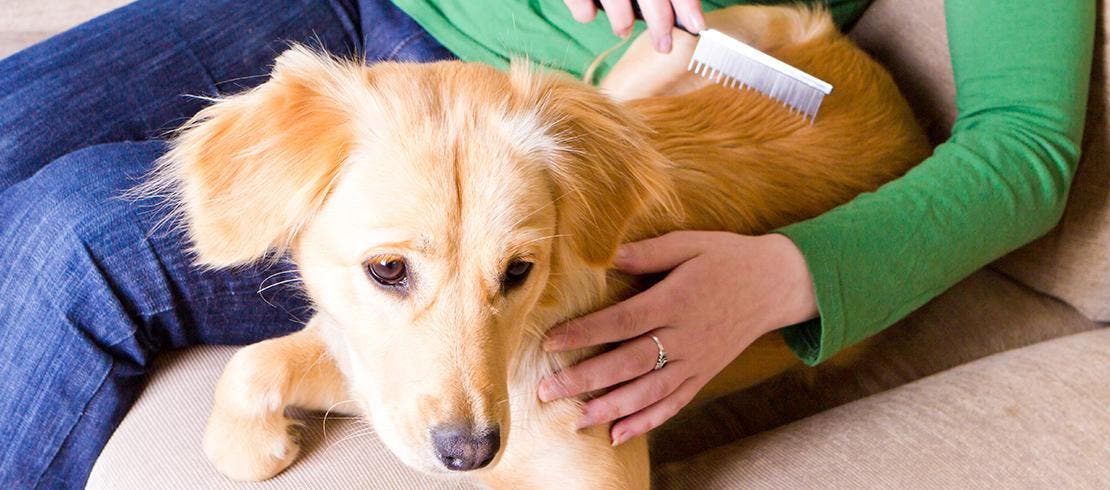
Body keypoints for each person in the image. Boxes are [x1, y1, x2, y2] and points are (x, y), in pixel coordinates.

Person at [0, 0, 1092, 487]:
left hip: (545, 147)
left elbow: (1029, 143)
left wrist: (787, 276)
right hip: (367, 27)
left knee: (77, 237)